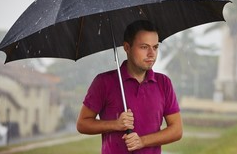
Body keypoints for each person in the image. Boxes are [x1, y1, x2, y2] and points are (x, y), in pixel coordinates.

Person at [76, 20, 182, 153]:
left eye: (155, 47)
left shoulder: (164, 83)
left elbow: (176, 130)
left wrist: (142, 141)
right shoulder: (103, 82)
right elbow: (82, 124)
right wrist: (115, 124)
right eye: (144, 47)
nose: (151, 54)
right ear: (127, 47)